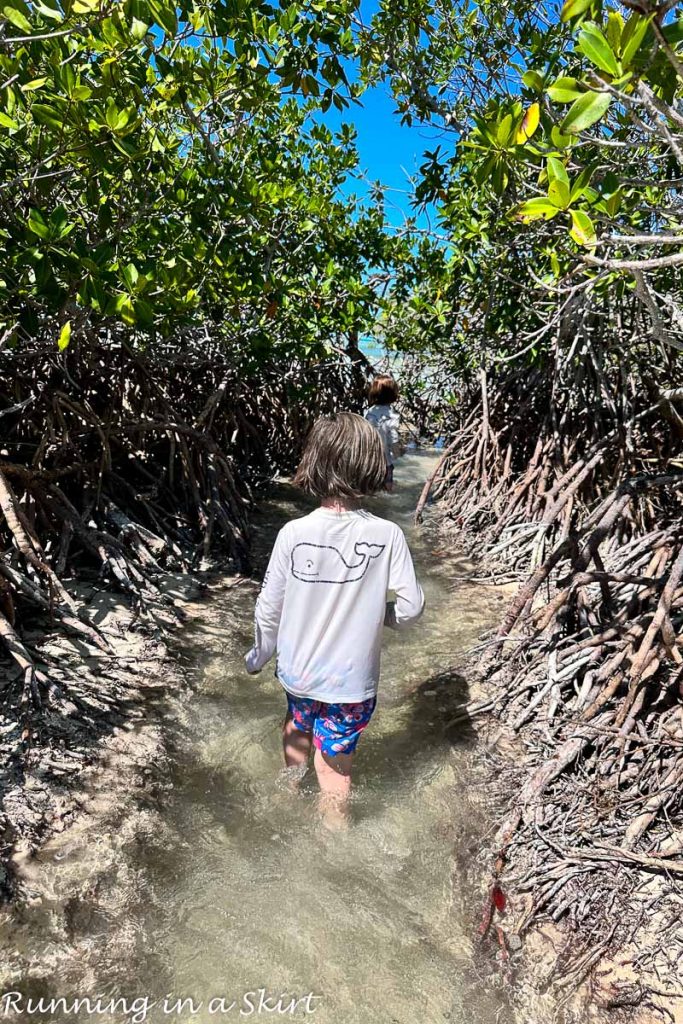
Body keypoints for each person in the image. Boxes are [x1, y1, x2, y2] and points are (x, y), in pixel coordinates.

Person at [244, 412, 424, 827]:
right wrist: (380, 616)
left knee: (296, 723)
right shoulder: (387, 534)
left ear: (314, 462)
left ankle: (286, 796)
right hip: (351, 684)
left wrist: (259, 655)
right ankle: (333, 834)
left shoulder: (292, 532)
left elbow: (269, 606)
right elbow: (412, 608)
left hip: (299, 672)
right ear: (371, 466)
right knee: (335, 774)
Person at [364, 374, 401, 492]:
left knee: (370, 487)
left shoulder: (369, 412)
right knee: (387, 487)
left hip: (369, 459)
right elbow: (394, 438)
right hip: (385, 460)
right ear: (393, 395)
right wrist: (397, 453)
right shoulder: (392, 415)